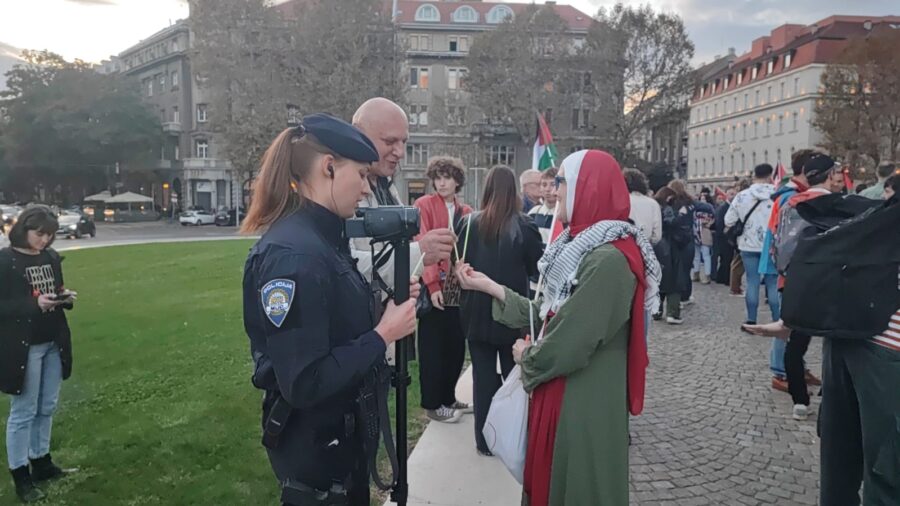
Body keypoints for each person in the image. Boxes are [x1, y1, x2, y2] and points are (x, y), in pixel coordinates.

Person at [456, 149, 660, 506]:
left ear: (589, 187)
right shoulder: (584, 246)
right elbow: (545, 311)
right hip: (570, 393)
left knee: (574, 485)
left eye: (562, 182)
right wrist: (488, 286)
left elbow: (570, 341)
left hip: (582, 402)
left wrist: (527, 357)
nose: (554, 191)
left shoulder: (608, 258)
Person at [241, 114, 421, 506]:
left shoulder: (321, 239)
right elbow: (304, 381)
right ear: (328, 167)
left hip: (339, 442)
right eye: (361, 174)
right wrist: (383, 334)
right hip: (316, 456)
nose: (365, 188)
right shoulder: (295, 256)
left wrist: (379, 313)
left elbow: (332, 327)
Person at [455, 166, 543, 456]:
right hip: (510, 308)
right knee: (512, 377)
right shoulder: (526, 226)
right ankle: (510, 436)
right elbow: (535, 269)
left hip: (477, 310)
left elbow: (462, 264)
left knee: (482, 377)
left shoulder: (468, 223)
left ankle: (483, 440)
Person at [1, 206, 76, 503]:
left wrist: (62, 297)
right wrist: (35, 306)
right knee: (24, 411)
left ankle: (42, 461)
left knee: (47, 405)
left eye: (49, 235)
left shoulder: (51, 257)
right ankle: (21, 474)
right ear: (24, 229)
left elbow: (53, 288)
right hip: (24, 346)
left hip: (53, 341)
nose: (44, 240)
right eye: (39, 234)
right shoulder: (6, 261)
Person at [350, 98, 456, 293]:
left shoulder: (386, 184)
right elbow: (345, 264)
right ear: (359, 135)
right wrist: (418, 253)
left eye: (404, 141)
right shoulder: (342, 189)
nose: (400, 152)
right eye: (390, 141)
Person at [772, 154, 837, 418]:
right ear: (829, 175)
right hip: (827, 280)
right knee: (833, 341)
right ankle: (830, 398)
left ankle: (799, 400)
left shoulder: (790, 203)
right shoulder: (834, 204)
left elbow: (777, 239)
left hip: (792, 279)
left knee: (796, 341)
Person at [413, 156, 472, 423]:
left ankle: (448, 397)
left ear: (457, 180)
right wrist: (432, 283)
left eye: (447, 177)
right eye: (437, 178)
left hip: (457, 285)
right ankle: (433, 404)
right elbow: (421, 244)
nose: (441, 183)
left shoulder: (466, 211)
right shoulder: (423, 205)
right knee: (432, 347)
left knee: (455, 345)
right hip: (434, 284)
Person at [756, 149, 817, 393]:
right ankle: (780, 370)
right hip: (784, 269)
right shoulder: (790, 197)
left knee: (796, 321)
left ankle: (795, 366)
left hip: (788, 267)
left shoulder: (795, 194)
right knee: (786, 321)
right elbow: (782, 238)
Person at [725, 165, 779, 334]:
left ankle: (751, 319)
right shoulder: (778, 194)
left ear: (754, 175)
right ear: (771, 176)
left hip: (748, 244)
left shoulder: (743, 196)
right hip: (772, 244)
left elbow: (728, 220)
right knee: (772, 283)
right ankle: (777, 319)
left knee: (752, 281)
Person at [654, 187, 691, 324]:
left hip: (656, 246)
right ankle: (673, 313)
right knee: (674, 280)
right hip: (671, 248)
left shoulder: (654, 207)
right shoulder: (669, 209)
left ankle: (656, 310)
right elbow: (674, 224)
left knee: (658, 280)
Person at [667, 180, 697, 308]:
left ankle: (675, 297)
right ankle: (686, 295)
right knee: (686, 269)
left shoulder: (670, 204)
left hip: (674, 239)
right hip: (688, 239)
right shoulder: (690, 203)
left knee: (675, 270)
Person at [624, 169, 662, 245]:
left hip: (625, 245)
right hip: (645, 246)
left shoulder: (622, 201)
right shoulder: (653, 204)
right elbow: (657, 236)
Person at [528, 168, 559, 245]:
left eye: (553, 184)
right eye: (544, 185)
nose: (548, 189)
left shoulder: (563, 215)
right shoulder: (533, 213)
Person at [713, 188, 736, 285]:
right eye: (731, 194)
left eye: (735, 194)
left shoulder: (731, 206)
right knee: (726, 259)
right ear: (726, 195)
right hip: (724, 237)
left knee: (726, 259)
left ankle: (722, 278)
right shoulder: (724, 207)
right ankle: (725, 279)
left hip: (727, 237)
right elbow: (719, 223)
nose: (733, 196)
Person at [691, 197, 715, 284]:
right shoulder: (694, 210)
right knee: (696, 255)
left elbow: (712, 220)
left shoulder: (710, 210)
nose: (702, 200)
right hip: (695, 233)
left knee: (706, 255)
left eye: (704, 198)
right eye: (701, 198)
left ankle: (707, 275)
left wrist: (708, 224)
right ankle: (696, 273)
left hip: (704, 232)